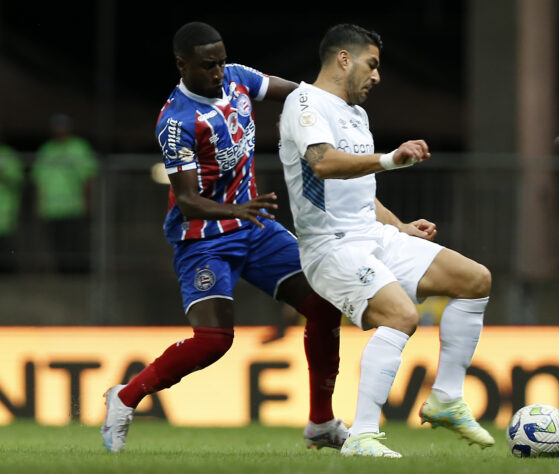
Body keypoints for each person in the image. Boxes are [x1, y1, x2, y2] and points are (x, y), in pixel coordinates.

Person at [101, 22, 345, 453]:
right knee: (214, 342)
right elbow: (188, 199)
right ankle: (124, 398)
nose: (218, 72)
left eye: (220, 61)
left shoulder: (238, 77)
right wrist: (236, 209)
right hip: (204, 238)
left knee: (324, 307)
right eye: (207, 65)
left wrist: (330, 97)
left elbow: (295, 92)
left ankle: (321, 423)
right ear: (182, 65)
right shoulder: (177, 121)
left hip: (252, 227)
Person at [278, 24, 495, 458]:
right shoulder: (304, 102)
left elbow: (360, 191)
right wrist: (390, 159)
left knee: (475, 279)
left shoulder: (357, 115)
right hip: (331, 247)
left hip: (373, 236)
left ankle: (447, 399)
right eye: (372, 64)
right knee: (401, 315)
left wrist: (400, 228)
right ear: (344, 58)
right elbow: (323, 165)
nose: (377, 76)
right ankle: (361, 435)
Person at [31, 114, 97, 273]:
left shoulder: (79, 147)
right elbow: (39, 179)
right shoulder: (46, 150)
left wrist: (88, 202)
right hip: (52, 207)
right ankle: (63, 273)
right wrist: (38, 204)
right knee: (57, 242)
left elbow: (88, 177)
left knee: (77, 241)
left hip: (74, 206)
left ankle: (81, 272)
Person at [0, 130, 23, 273]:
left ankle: (8, 272)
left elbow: (16, 179)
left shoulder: (9, 154)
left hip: (5, 208)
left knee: (6, 245)